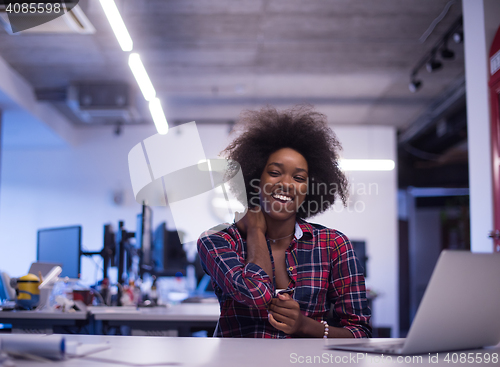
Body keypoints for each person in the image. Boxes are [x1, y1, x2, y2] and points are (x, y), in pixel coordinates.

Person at [197, 105, 371, 338]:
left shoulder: (333, 245)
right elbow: (256, 294)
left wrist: (305, 325)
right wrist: (256, 229)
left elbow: (360, 332)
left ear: (309, 189)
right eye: (275, 172)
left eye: (298, 177)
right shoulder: (218, 241)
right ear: (255, 179)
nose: (287, 184)